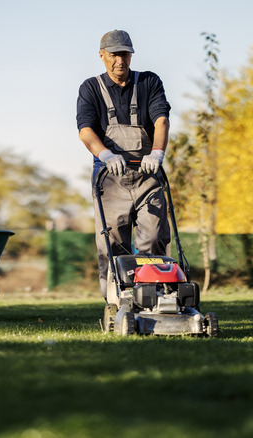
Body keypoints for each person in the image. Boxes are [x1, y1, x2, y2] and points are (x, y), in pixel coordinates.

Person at [76, 29, 172, 300]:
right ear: (102, 56)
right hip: (109, 178)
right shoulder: (91, 88)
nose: (120, 60)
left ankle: (154, 296)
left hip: (147, 175)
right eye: (114, 54)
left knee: (154, 236)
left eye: (125, 54)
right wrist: (105, 154)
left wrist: (156, 153)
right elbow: (85, 130)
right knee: (113, 244)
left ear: (131, 55)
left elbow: (161, 120)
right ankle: (116, 301)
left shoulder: (149, 82)